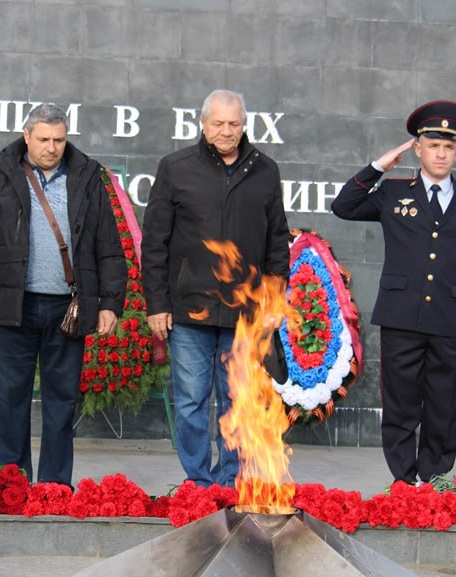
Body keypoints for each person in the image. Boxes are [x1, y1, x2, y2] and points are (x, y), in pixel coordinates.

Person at [0, 103, 126, 488]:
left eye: (59, 140)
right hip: (12, 306)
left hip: (67, 309)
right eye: (44, 139)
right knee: (9, 399)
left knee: (62, 401)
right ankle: (12, 484)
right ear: (27, 136)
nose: (52, 147)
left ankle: (54, 486)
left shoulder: (87, 178)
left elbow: (108, 244)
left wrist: (110, 303)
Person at [331, 100, 456, 487]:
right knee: (400, 403)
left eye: (449, 147)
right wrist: (378, 167)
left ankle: (434, 479)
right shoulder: (392, 192)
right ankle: (404, 481)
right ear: (418, 148)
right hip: (401, 315)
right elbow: (343, 206)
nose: (441, 153)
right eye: (433, 145)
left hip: (449, 319)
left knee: (442, 403)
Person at [141, 89, 291, 488]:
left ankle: (228, 483)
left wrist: (275, 301)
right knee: (191, 402)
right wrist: (156, 303)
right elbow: (154, 242)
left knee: (238, 401)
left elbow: (277, 243)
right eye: (219, 123)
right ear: (203, 124)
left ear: (245, 125)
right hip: (189, 310)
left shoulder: (265, 171)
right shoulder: (175, 168)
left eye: (234, 124)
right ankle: (198, 483)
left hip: (246, 314)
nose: (226, 131)